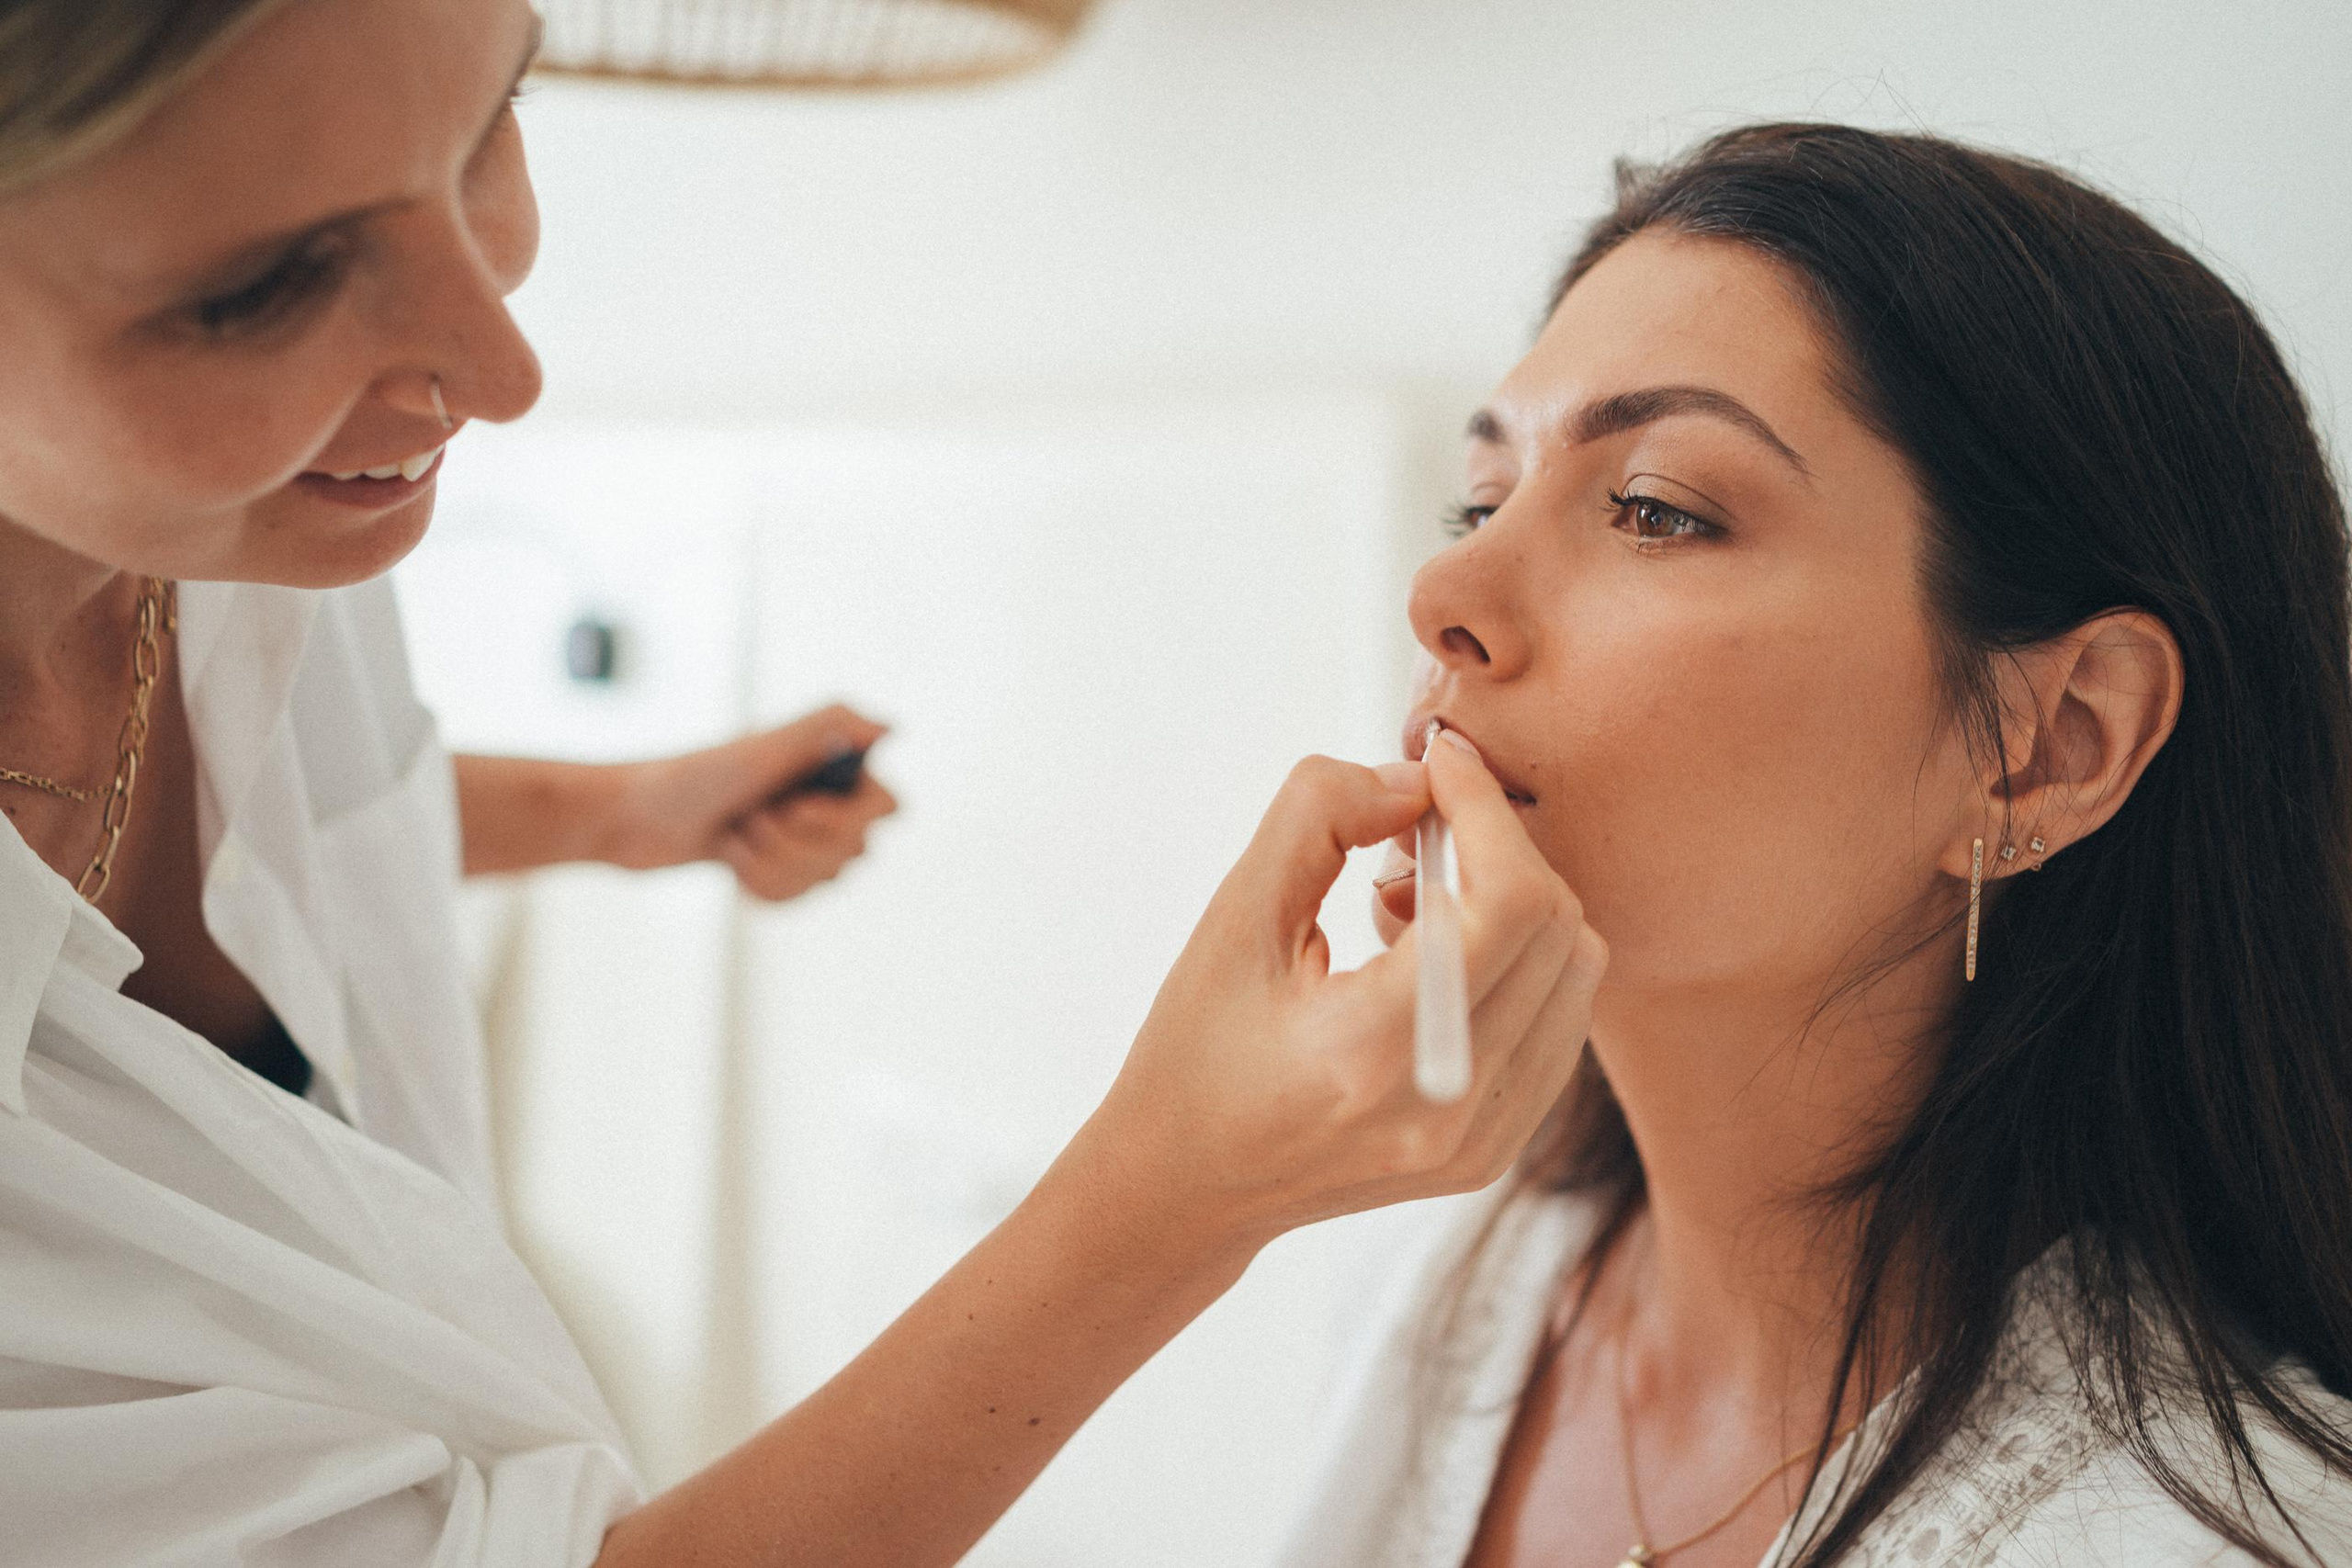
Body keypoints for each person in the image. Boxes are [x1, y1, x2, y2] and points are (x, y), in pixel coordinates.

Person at [0, 3, 1610, 1564]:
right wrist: (1177, 1193)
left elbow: (294, 816)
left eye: (495, 118)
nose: (502, 372)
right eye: (271, 286)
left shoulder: (256, 519)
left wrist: (624, 814)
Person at [1278, 122, 2352, 1568]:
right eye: (1480, 499)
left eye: (1657, 509)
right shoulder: (1445, 1296)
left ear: (2052, 744)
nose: (1447, 588)